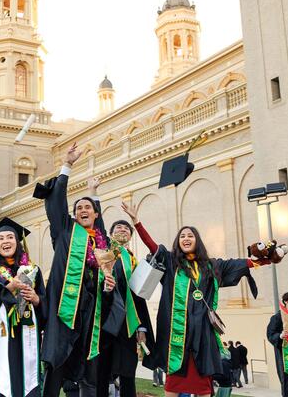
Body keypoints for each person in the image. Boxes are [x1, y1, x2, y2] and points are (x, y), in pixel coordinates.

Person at [34, 143, 124, 397]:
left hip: (91, 311)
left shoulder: (103, 243)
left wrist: (108, 289)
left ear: (96, 214)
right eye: (79, 208)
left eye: (88, 208)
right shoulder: (65, 232)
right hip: (65, 309)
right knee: (57, 363)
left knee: (89, 368)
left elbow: (106, 276)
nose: (83, 211)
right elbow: (57, 204)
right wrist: (67, 165)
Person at [143, 225, 269, 397]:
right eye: (182, 236)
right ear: (178, 242)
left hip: (202, 334)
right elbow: (153, 247)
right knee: (173, 384)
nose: (186, 239)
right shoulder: (172, 263)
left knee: (203, 385)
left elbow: (240, 264)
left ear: (197, 240)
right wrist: (137, 222)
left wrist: (266, 260)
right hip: (178, 335)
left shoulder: (212, 266)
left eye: (190, 236)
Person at [0, 218, 46, 397]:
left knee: (27, 377)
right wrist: (10, 287)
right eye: (0, 239)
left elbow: (45, 302)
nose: (6, 241)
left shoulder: (33, 270)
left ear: (18, 242)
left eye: (10, 237)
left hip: (27, 332)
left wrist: (36, 299)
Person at [98, 200, 155, 397]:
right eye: (118, 228)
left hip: (128, 324)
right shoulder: (104, 253)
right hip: (106, 319)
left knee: (128, 372)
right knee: (103, 369)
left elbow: (139, 297)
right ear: (111, 234)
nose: (122, 230)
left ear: (131, 236)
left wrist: (141, 327)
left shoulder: (134, 261)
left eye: (126, 229)